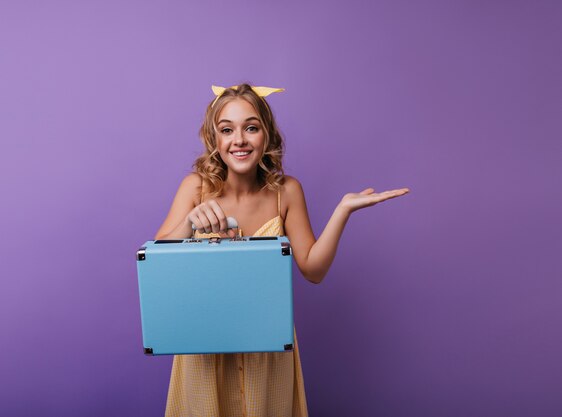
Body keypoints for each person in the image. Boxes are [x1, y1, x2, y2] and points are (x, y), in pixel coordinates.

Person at [155, 83, 410, 417]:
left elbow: (313, 270)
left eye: (251, 127)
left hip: (268, 351)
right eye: (227, 130)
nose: (240, 140)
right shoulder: (196, 188)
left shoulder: (285, 192)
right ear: (214, 140)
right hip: (205, 350)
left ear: (267, 134)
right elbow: (155, 264)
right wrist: (189, 223)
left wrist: (343, 210)